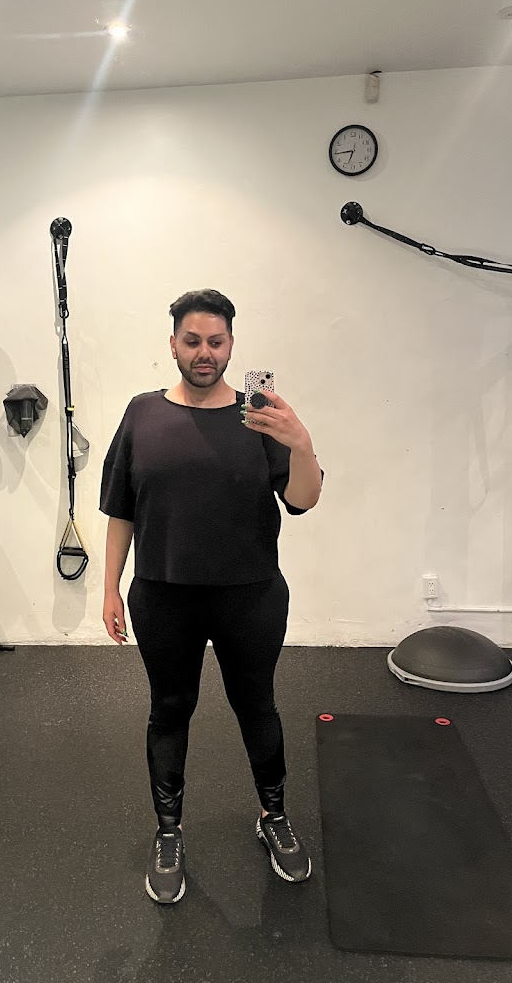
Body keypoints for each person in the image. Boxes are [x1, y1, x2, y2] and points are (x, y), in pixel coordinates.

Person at [100, 289, 323, 904]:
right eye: (193, 341)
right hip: (163, 595)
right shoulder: (142, 414)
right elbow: (121, 509)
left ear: (231, 346)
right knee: (170, 709)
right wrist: (111, 588)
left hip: (249, 595)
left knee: (257, 706)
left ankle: (273, 816)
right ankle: (168, 831)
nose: (205, 353)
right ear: (173, 344)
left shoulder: (259, 417)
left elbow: (303, 499)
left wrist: (302, 444)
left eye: (216, 342)